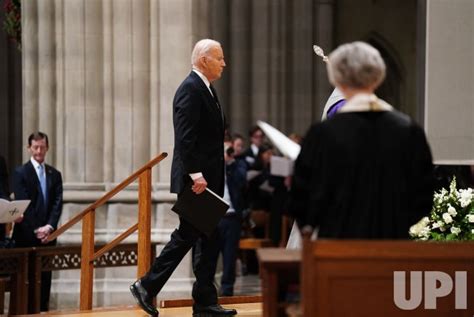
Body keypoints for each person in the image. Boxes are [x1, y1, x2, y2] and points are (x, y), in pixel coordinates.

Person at [130, 39, 237, 317]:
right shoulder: (190, 89)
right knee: (187, 235)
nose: (224, 63)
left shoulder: (207, 89)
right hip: (197, 182)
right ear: (204, 60)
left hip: (209, 181)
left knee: (208, 239)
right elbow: (185, 136)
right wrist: (196, 174)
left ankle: (204, 302)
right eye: (220, 58)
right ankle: (145, 285)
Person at [289, 41, 434, 239]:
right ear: (378, 77)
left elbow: (302, 197)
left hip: (336, 244)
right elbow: (423, 195)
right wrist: (396, 223)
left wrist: (316, 224)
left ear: (337, 80)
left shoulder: (322, 134)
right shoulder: (409, 131)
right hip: (392, 244)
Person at [12, 132, 63, 311]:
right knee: (28, 280)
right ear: (29, 148)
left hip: (48, 237)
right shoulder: (20, 173)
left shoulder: (55, 174)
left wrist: (49, 227)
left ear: (47, 148)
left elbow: (57, 203)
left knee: (45, 279)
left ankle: (44, 311)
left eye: (42, 147)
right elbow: (24, 202)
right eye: (35, 147)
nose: (39, 151)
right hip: (26, 236)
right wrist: (37, 229)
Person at [210, 144, 247, 297]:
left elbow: (242, 183)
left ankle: (227, 291)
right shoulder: (211, 165)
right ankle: (208, 291)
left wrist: (230, 164)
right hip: (213, 217)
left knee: (230, 256)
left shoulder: (237, 165)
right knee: (209, 256)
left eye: (229, 150)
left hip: (232, 217)